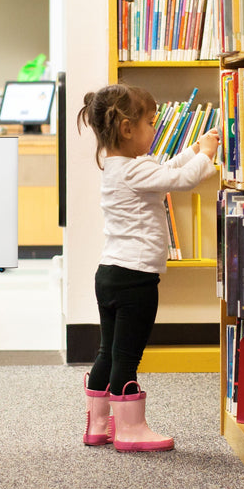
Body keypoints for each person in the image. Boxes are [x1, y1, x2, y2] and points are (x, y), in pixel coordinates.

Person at [75, 83, 219, 452]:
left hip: (109, 274)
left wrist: (192, 150)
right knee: (127, 356)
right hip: (135, 279)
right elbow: (183, 180)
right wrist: (205, 156)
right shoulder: (134, 171)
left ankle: (98, 425)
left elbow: (168, 170)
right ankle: (130, 431)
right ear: (127, 128)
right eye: (151, 123)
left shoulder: (121, 168)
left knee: (108, 351)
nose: (154, 130)